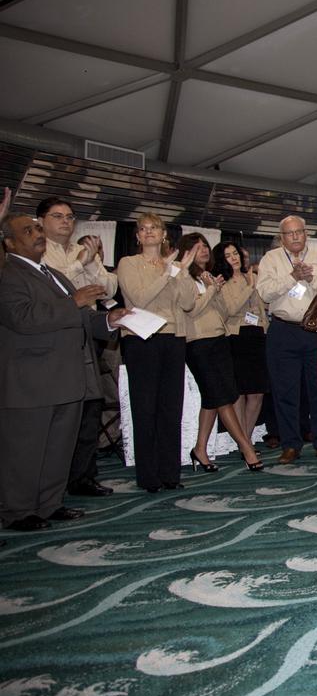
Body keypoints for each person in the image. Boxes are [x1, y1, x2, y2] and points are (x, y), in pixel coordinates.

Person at [0, 213, 124, 530]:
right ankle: (19, 510)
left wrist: (109, 322)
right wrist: (75, 301)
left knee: (58, 447)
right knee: (26, 449)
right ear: (10, 242)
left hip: (67, 376)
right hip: (31, 379)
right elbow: (22, 318)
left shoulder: (54, 274)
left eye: (38, 228)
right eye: (28, 230)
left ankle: (49, 504)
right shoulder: (8, 273)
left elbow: (80, 317)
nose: (37, 234)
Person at [38, 196, 118, 497]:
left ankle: (83, 476)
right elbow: (56, 290)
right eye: (58, 216)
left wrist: (90, 262)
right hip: (55, 337)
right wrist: (79, 265)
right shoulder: (37, 251)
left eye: (70, 217)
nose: (65, 222)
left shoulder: (81, 250)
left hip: (91, 332)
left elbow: (109, 287)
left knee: (91, 407)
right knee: (62, 412)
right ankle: (54, 482)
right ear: (42, 221)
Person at [116, 213, 198, 491]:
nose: (148, 232)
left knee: (170, 408)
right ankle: (148, 476)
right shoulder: (129, 263)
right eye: (143, 229)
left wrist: (183, 273)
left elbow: (188, 303)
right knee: (144, 407)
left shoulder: (175, 266)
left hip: (173, 338)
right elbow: (139, 298)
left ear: (164, 234)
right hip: (142, 339)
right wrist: (167, 273)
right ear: (137, 236)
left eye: (154, 228)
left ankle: (170, 473)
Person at [177, 234, 264, 473]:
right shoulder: (183, 275)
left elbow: (224, 312)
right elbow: (190, 309)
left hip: (220, 338)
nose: (203, 250)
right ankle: (246, 448)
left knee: (212, 400)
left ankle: (200, 450)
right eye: (197, 247)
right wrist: (211, 291)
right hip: (197, 342)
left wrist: (213, 288)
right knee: (223, 398)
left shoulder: (209, 278)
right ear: (186, 251)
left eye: (205, 245)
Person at [257, 215, 317, 464]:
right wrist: (292, 277)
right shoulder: (270, 259)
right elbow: (264, 292)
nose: (295, 237)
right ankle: (290, 444)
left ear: (306, 234)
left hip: (315, 329)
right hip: (283, 330)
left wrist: (312, 279)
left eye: (299, 232)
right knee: (285, 391)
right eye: (289, 233)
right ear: (282, 237)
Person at [212, 242, 269, 449]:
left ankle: (246, 437)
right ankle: (244, 443)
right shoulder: (221, 282)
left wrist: (265, 327)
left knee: (257, 392)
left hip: (257, 335)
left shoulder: (250, 277)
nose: (234, 258)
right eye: (228, 255)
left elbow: (261, 308)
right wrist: (249, 286)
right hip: (236, 337)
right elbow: (230, 309)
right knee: (240, 392)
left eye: (235, 253)